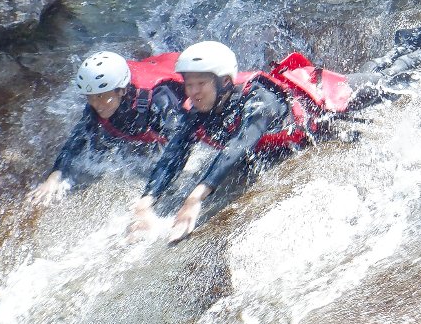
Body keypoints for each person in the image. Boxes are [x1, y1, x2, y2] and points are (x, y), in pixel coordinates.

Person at [128, 41, 353, 243]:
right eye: (189, 84)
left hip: (326, 110)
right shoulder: (197, 110)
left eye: (201, 83)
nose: (193, 92)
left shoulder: (260, 98)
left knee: (382, 80)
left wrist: (195, 197)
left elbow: (240, 143)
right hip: (267, 150)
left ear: (225, 82)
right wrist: (146, 203)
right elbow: (174, 154)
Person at [27, 51, 186, 205]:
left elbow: (178, 147)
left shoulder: (159, 100)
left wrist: (151, 195)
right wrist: (54, 178)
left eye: (101, 96)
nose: (96, 104)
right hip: (145, 75)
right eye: (90, 97)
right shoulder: (101, 96)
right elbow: (76, 139)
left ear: (122, 90)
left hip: (172, 69)